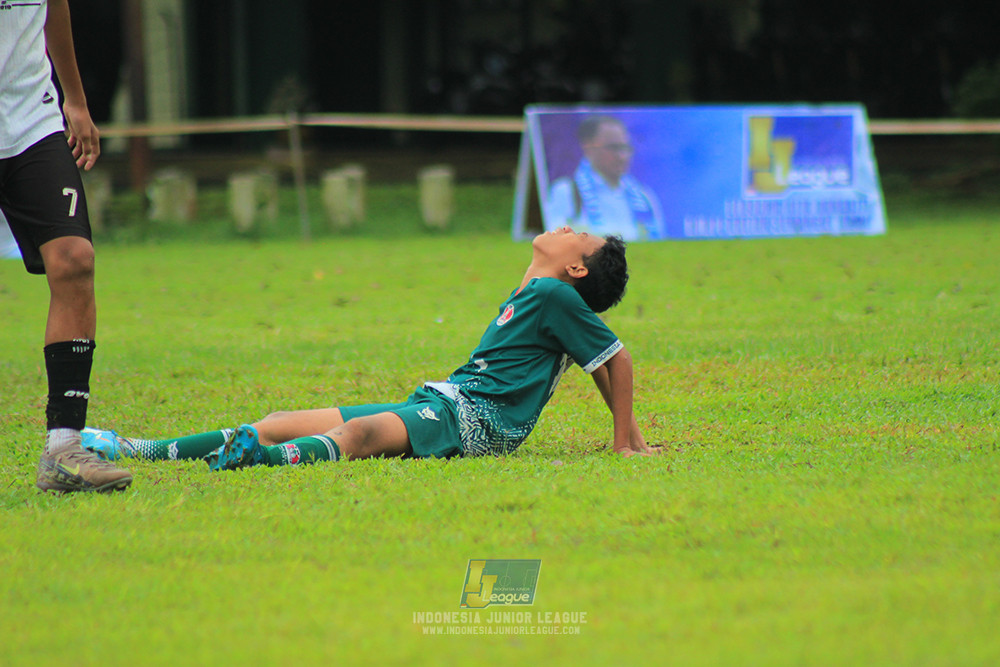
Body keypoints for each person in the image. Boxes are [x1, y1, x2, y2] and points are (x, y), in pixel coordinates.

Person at [83, 227, 657, 468]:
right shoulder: (538, 291)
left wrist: (622, 445)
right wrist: (628, 434)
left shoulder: (555, 295)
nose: (563, 227)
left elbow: (616, 360)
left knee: (357, 436)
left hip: (475, 421)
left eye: (575, 235)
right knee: (281, 417)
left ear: (576, 266)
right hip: (451, 400)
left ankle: (255, 459)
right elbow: (599, 364)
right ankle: (135, 447)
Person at [2, 1, 132, 492]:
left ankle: (64, 449)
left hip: (31, 122)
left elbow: (54, 6)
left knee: (75, 260)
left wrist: (73, 101)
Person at [545, 115, 664, 242]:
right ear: (589, 148)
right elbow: (556, 244)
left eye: (625, 148)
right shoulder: (566, 192)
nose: (622, 157)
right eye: (613, 148)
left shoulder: (644, 197)